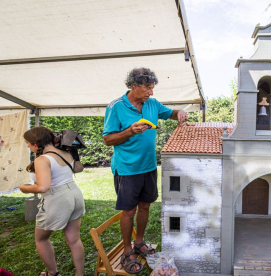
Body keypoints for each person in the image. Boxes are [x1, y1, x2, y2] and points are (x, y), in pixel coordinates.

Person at [103, 67, 187, 273]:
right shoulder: (116, 107)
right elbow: (107, 139)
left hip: (148, 166)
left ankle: (139, 242)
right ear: (134, 86)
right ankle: (126, 248)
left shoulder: (152, 104)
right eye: (148, 88)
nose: (151, 92)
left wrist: (180, 113)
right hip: (127, 168)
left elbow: (172, 114)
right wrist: (129, 131)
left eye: (152, 88)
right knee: (129, 210)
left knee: (146, 206)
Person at [19, 126, 85, 276]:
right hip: (74, 194)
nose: (28, 147)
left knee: (41, 239)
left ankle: (52, 273)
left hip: (57, 198)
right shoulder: (65, 152)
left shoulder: (43, 159)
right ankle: (79, 274)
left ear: (35, 143)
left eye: (28, 143)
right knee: (74, 240)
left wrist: (24, 188)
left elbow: (43, 187)